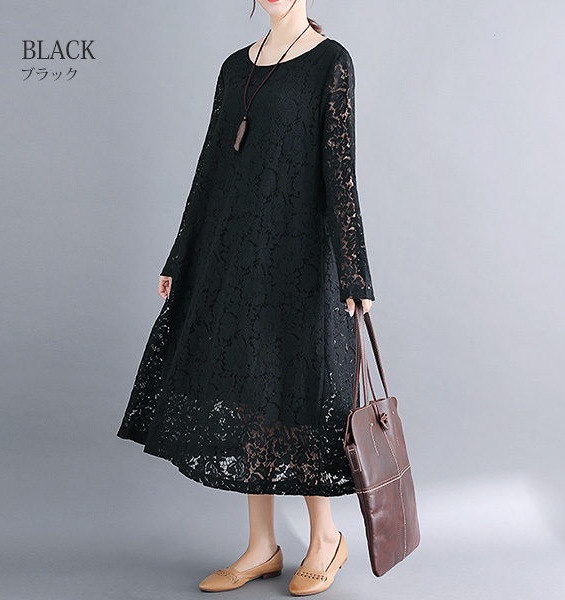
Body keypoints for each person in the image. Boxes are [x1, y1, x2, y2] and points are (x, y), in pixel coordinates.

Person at [116, 0, 376, 594]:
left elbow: (340, 171)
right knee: (247, 391)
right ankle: (262, 546)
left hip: (300, 256)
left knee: (300, 391)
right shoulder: (236, 65)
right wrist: (180, 256)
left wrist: (354, 271)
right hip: (234, 252)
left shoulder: (331, 62)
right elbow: (210, 164)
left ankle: (326, 539)